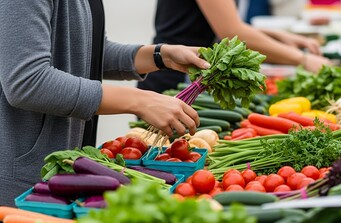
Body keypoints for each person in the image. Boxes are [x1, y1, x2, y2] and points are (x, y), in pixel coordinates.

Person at [0, 0, 210, 207]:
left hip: (60, 173)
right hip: (19, 185)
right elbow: (28, 81)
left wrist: (161, 56)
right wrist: (140, 101)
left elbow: (86, 50)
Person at [138, 0, 332, 94]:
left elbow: (225, 24)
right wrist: (302, 59)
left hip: (189, 72)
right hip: (173, 78)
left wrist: (279, 36)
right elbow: (230, 32)